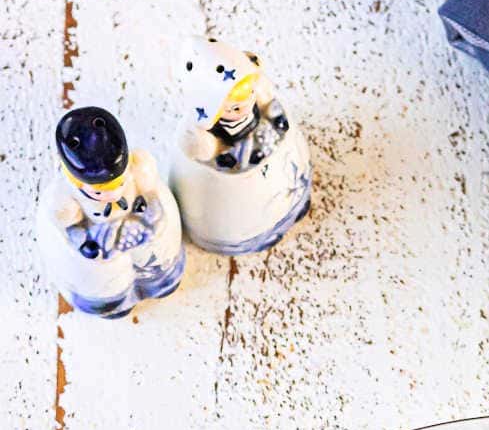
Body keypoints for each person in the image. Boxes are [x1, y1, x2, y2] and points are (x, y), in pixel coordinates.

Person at [36, 106, 185, 317]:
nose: (114, 193)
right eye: (101, 192)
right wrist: (88, 247)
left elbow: (153, 198)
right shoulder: (65, 203)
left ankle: (160, 282)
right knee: (108, 281)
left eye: (120, 183)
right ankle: (113, 303)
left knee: (157, 264)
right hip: (103, 242)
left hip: (139, 226)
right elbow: (70, 230)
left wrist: (154, 221)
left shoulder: (140, 172)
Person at [171, 39, 312, 255]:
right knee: (242, 208)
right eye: (235, 107)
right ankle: (249, 238)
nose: (246, 107)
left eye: (250, 96)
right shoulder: (207, 137)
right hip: (239, 161)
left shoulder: (264, 109)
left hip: (264, 143)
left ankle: (293, 209)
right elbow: (205, 150)